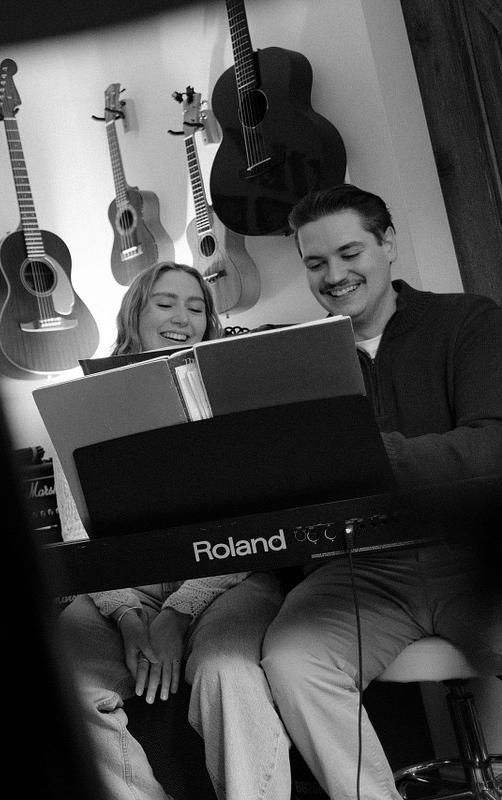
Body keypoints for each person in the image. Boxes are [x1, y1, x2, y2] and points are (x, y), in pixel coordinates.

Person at [260, 184, 502, 800]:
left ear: (388, 244)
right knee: (292, 659)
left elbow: (492, 448)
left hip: (474, 555)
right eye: (315, 263)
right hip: (360, 569)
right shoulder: (292, 362)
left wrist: (367, 458)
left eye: (350, 253)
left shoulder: (469, 321)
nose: (334, 276)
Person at [54, 261, 291, 800]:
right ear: (134, 315)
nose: (183, 317)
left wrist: (180, 612)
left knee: (227, 673)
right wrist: (126, 614)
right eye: (165, 303)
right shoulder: (80, 402)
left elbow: (250, 524)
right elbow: (78, 535)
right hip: (120, 587)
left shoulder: (232, 394)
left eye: (196, 307)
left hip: (226, 578)